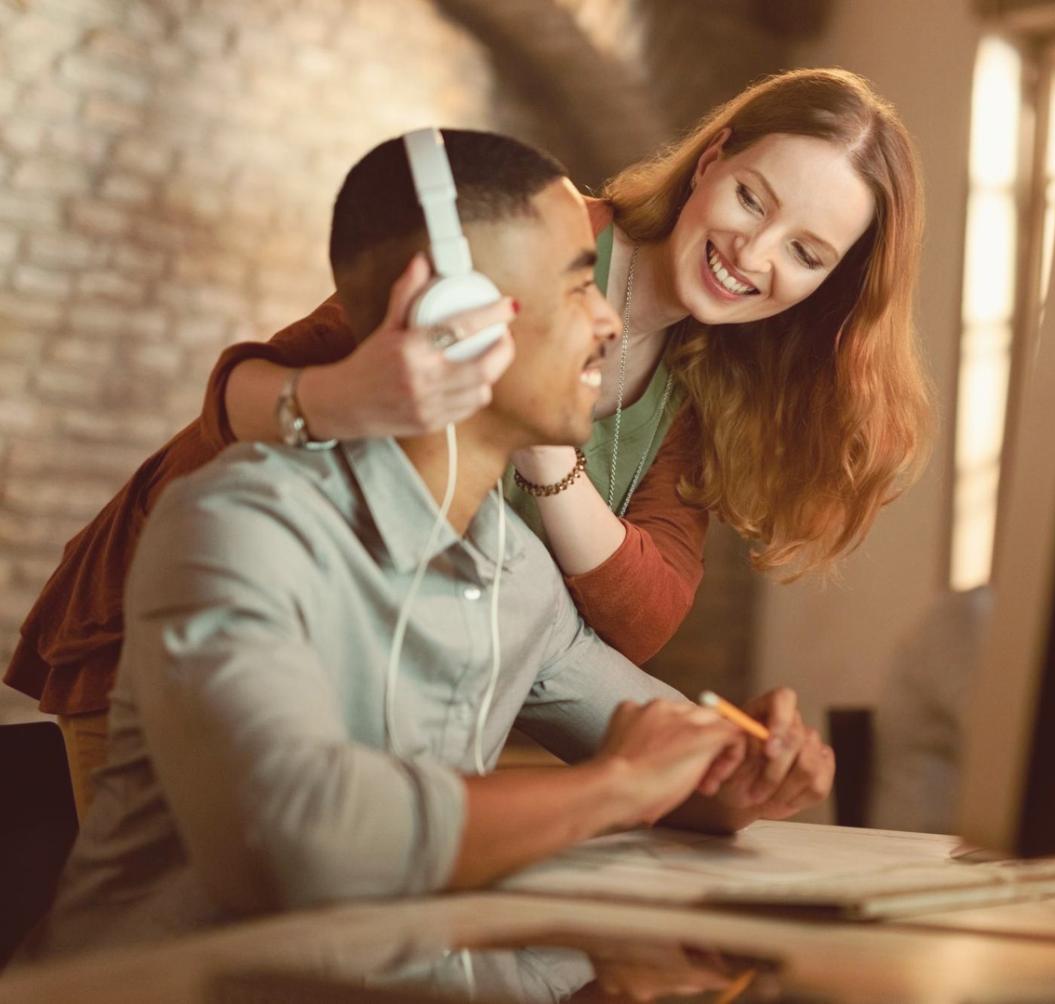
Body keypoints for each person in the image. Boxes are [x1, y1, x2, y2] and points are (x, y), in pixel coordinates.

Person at [5, 68, 930, 816]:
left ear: (835, 284)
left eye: (807, 253)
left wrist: (727, 770)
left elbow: (636, 618)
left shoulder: (707, 378)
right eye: (751, 198)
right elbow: (238, 395)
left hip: (371, 684)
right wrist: (348, 394)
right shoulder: (533, 237)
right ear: (712, 158)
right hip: (185, 629)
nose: (755, 255)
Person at [20, 129, 833, 962]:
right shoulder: (237, 529)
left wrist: (743, 773)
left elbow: (651, 717)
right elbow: (295, 839)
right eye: (575, 284)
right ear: (450, 319)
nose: (606, 323)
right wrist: (614, 788)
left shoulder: (516, 579)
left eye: (808, 250)